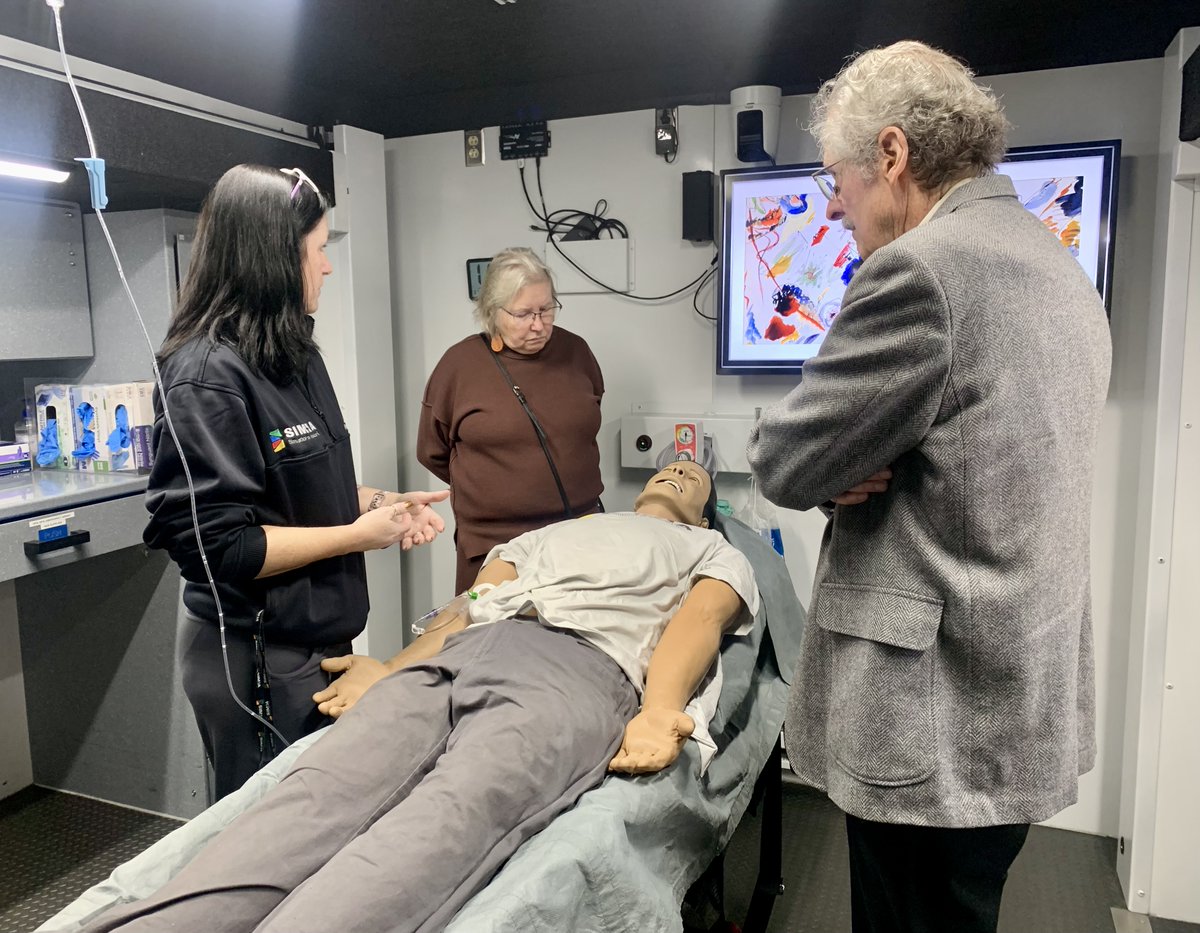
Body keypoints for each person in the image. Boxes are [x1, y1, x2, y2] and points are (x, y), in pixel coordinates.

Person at [746, 41, 1111, 933]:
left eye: (836, 177)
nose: (833, 204)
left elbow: (784, 460)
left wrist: (833, 470)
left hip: (931, 714)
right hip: (1013, 694)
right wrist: (848, 468)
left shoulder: (923, 271)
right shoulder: (1057, 265)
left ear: (893, 154)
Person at [79, 460, 758, 933]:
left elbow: (699, 621)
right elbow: (474, 602)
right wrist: (394, 668)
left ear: (705, 513)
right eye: (671, 467)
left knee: (437, 824)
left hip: (576, 672)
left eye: (693, 476)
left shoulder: (712, 551)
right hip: (471, 650)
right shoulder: (557, 531)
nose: (678, 470)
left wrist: (657, 709)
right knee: (313, 796)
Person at [144, 164, 448, 800]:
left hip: (320, 646)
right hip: (256, 658)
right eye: (318, 249)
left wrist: (384, 505)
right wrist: (357, 536)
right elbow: (222, 546)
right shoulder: (206, 376)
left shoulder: (294, 356)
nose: (328, 267)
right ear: (275, 258)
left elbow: (299, 497)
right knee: (266, 836)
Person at [417, 247, 604, 591]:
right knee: (485, 626)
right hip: (492, 547)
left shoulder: (577, 352)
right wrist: (497, 488)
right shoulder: (459, 366)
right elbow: (432, 451)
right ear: (493, 311)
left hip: (579, 537)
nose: (538, 325)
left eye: (546, 309)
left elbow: (585, 423)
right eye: (523, 314)